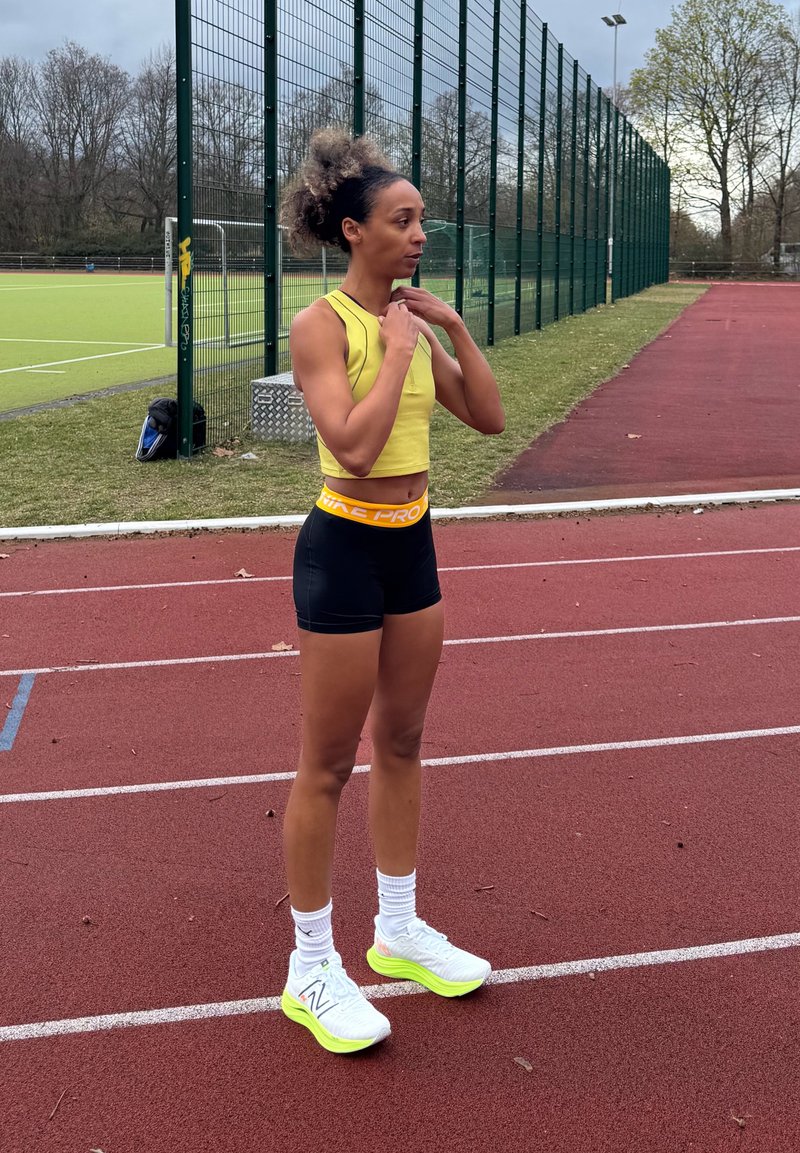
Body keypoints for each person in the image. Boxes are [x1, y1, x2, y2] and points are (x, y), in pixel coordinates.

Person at [279, 128, 506, 1054]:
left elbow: (487, 417)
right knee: (327, 763)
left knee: (405, 740)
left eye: (421, 221)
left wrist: (449, 328)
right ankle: (309, 967)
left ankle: (399, 929)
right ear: (351, 231)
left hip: (412, 546)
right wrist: (403, 347)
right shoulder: (322, 326)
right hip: (343, 549)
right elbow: (355, 444)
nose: (419, 235)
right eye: (400, 220)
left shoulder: (418, 322)